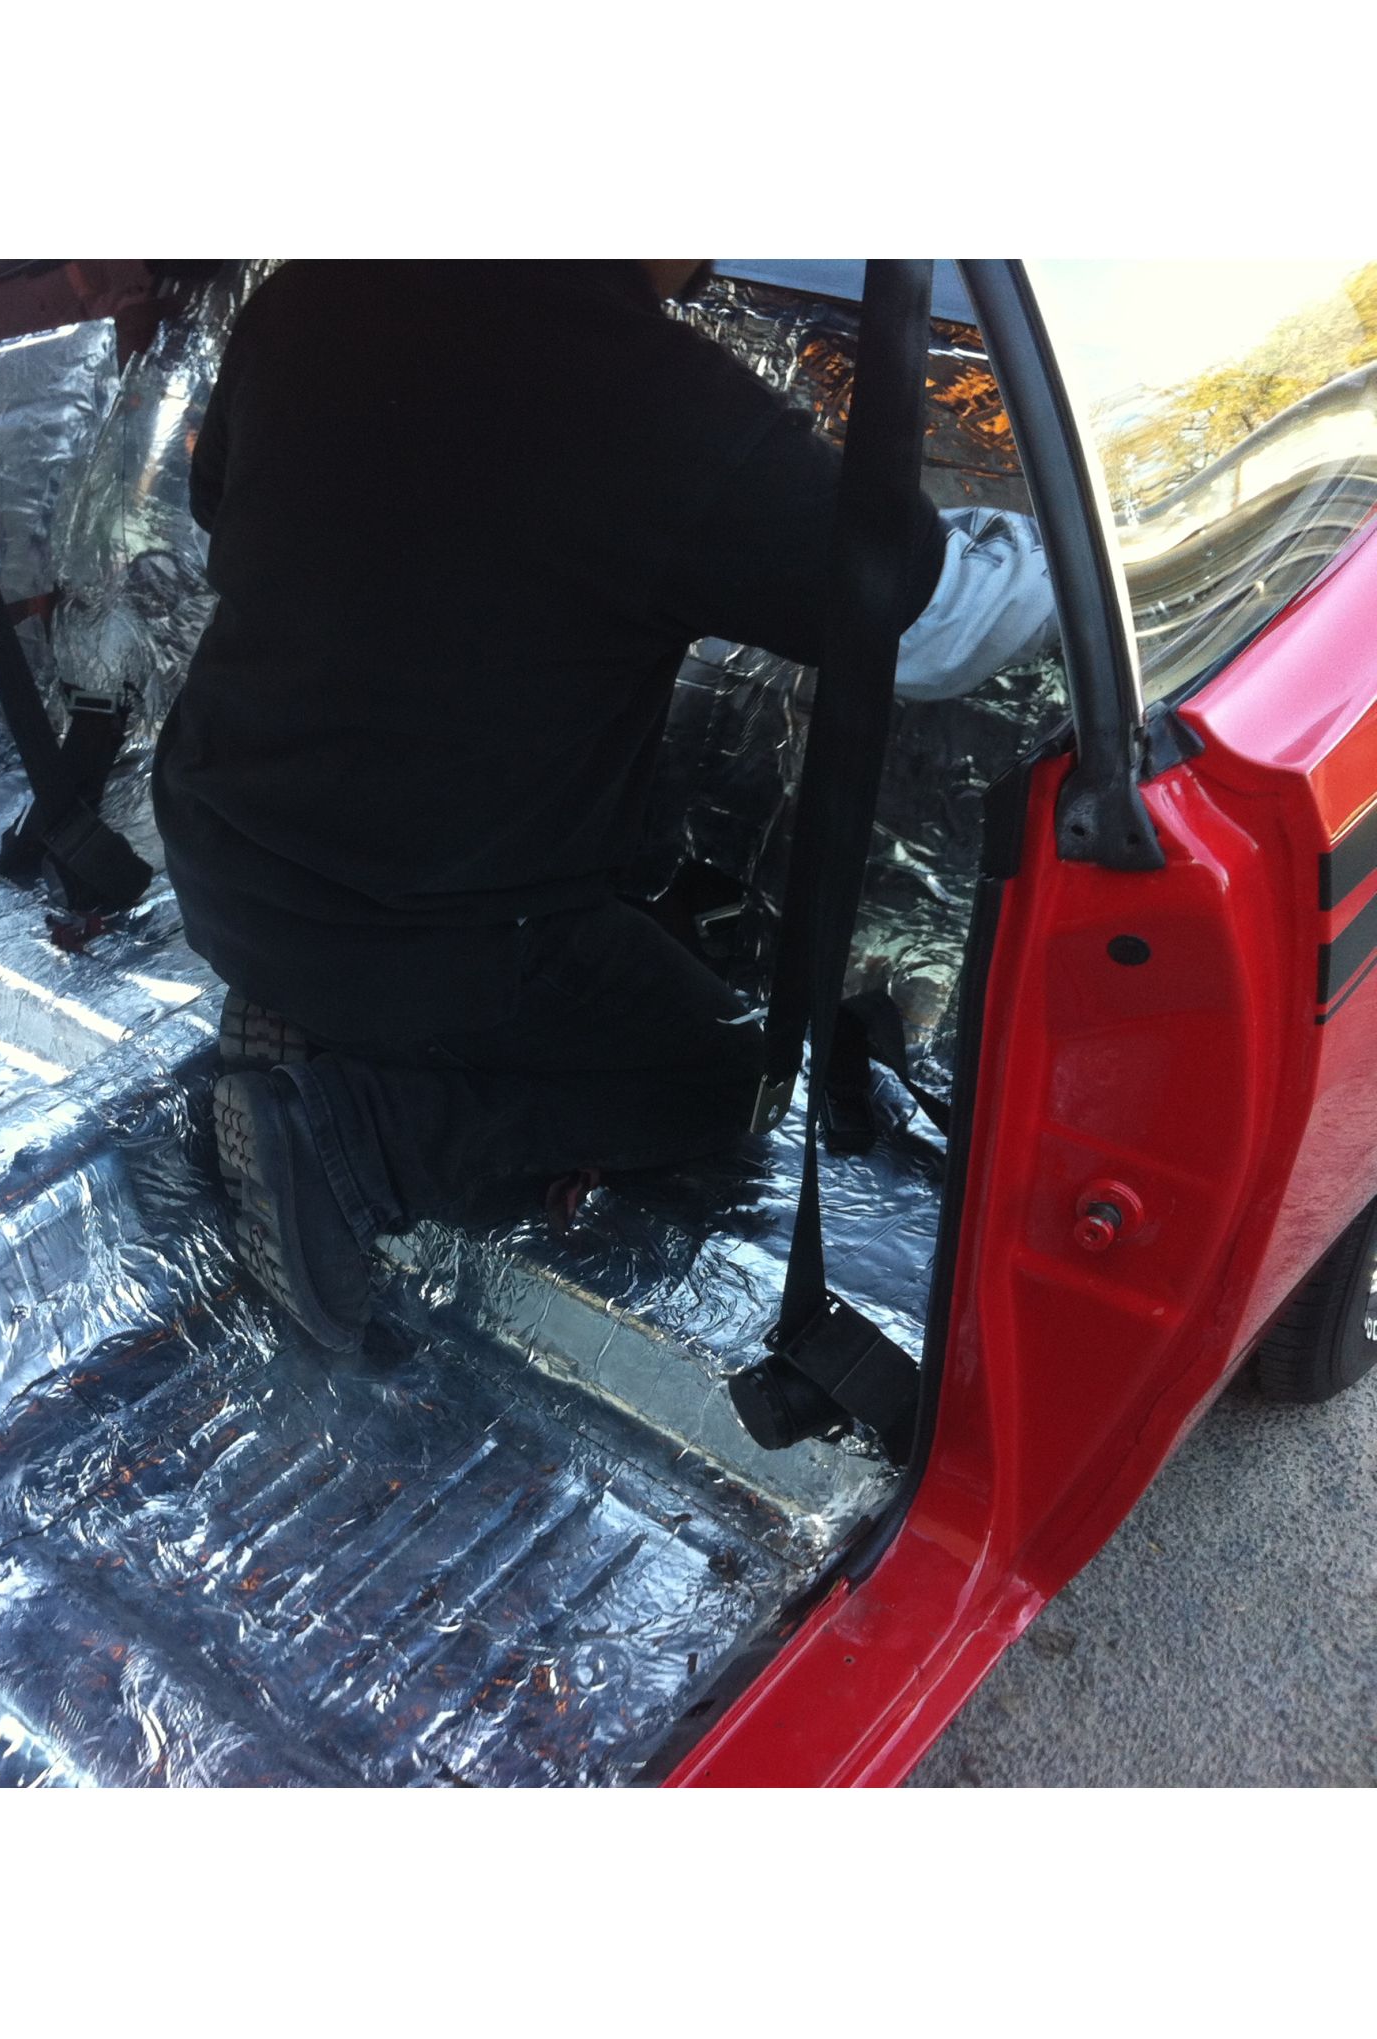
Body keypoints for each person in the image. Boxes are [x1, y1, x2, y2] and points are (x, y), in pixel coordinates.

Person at [152, 260, 1055, 1351]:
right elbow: (932, 622)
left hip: (218, 848)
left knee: (601, 912)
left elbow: (217, 501)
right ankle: (366, 1138)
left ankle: (322, 1025)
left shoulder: (324, 286)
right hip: (423, 930)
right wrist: (1114, 558)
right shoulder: (659, 402)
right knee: (722, 1077)